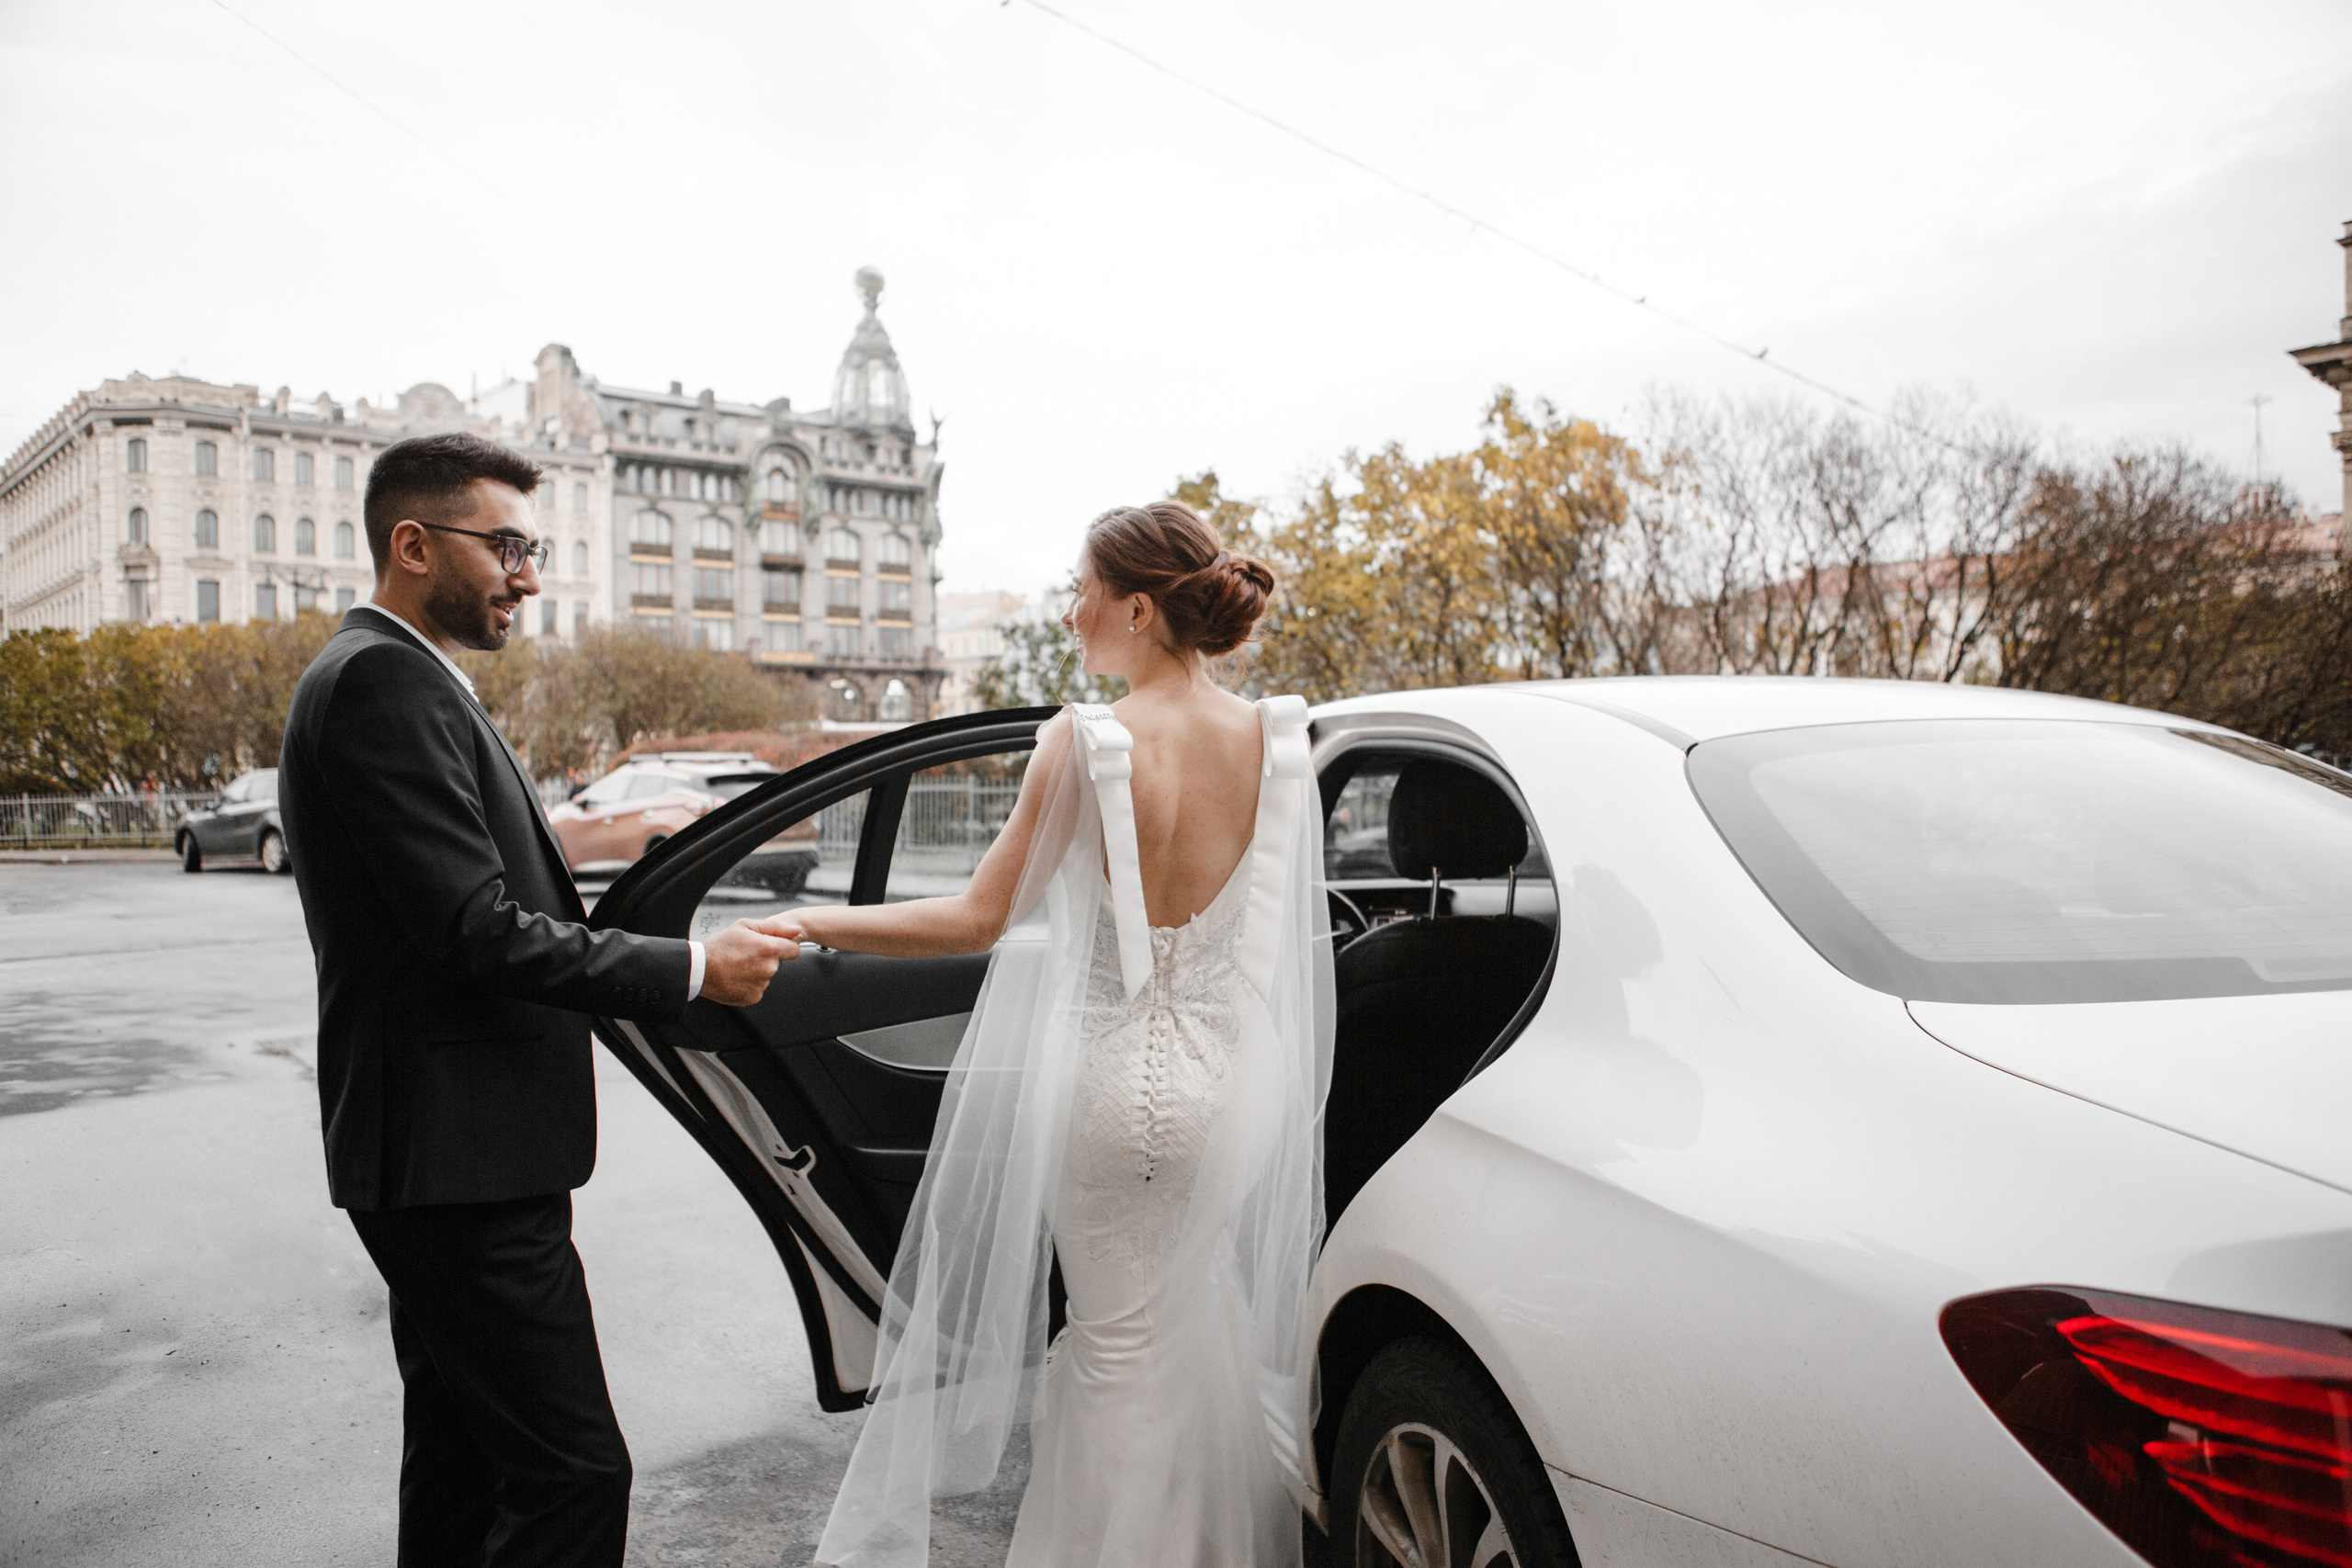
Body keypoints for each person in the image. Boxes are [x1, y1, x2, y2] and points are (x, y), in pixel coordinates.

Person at [277, 432, 801, 1567]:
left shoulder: (399, 676)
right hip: (457, 1167)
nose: (529, 573)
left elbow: (461, 887)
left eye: (535, 545)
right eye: (506, 544)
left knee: (464, 1460)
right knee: (573, 1474)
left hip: (445, 1158)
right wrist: (695, 968)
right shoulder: (380, 680)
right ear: (413, 544)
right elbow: (474, 933)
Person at [805, 502, 1334, 1568]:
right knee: (1194, 1327)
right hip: (1241, 1080)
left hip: (1118, 1099)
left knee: (1116, 1357)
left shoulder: (1085, 742)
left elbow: (975, 919)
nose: (1071, 610)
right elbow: (1282, 938)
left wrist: (810, 919)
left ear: (1138, 608)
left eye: (1083, 589)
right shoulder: (1282, 739)